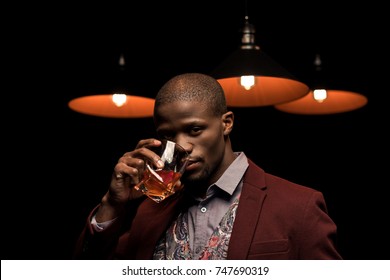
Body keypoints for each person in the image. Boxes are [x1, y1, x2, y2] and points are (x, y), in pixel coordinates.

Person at [73, 72, 342, 260]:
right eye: (168, 135)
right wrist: (112, 204)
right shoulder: (147, 211)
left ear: (226, 123)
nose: (183, 146)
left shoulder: (299, 206)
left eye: (195, 129)